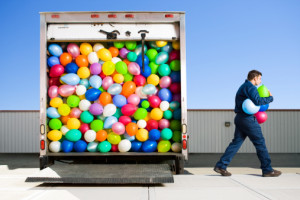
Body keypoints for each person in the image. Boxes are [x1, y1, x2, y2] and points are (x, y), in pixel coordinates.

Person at [214, 70, 281, 177]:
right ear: (254, 78)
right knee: (260, 142)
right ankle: (267, 170)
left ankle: (221, 166)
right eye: (259, 78)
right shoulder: (250, 87)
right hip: (247, 119)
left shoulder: (243, 86)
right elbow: (257, 101)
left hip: (240, 118)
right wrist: (270, 98)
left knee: (236, 143)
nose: (260, 80)